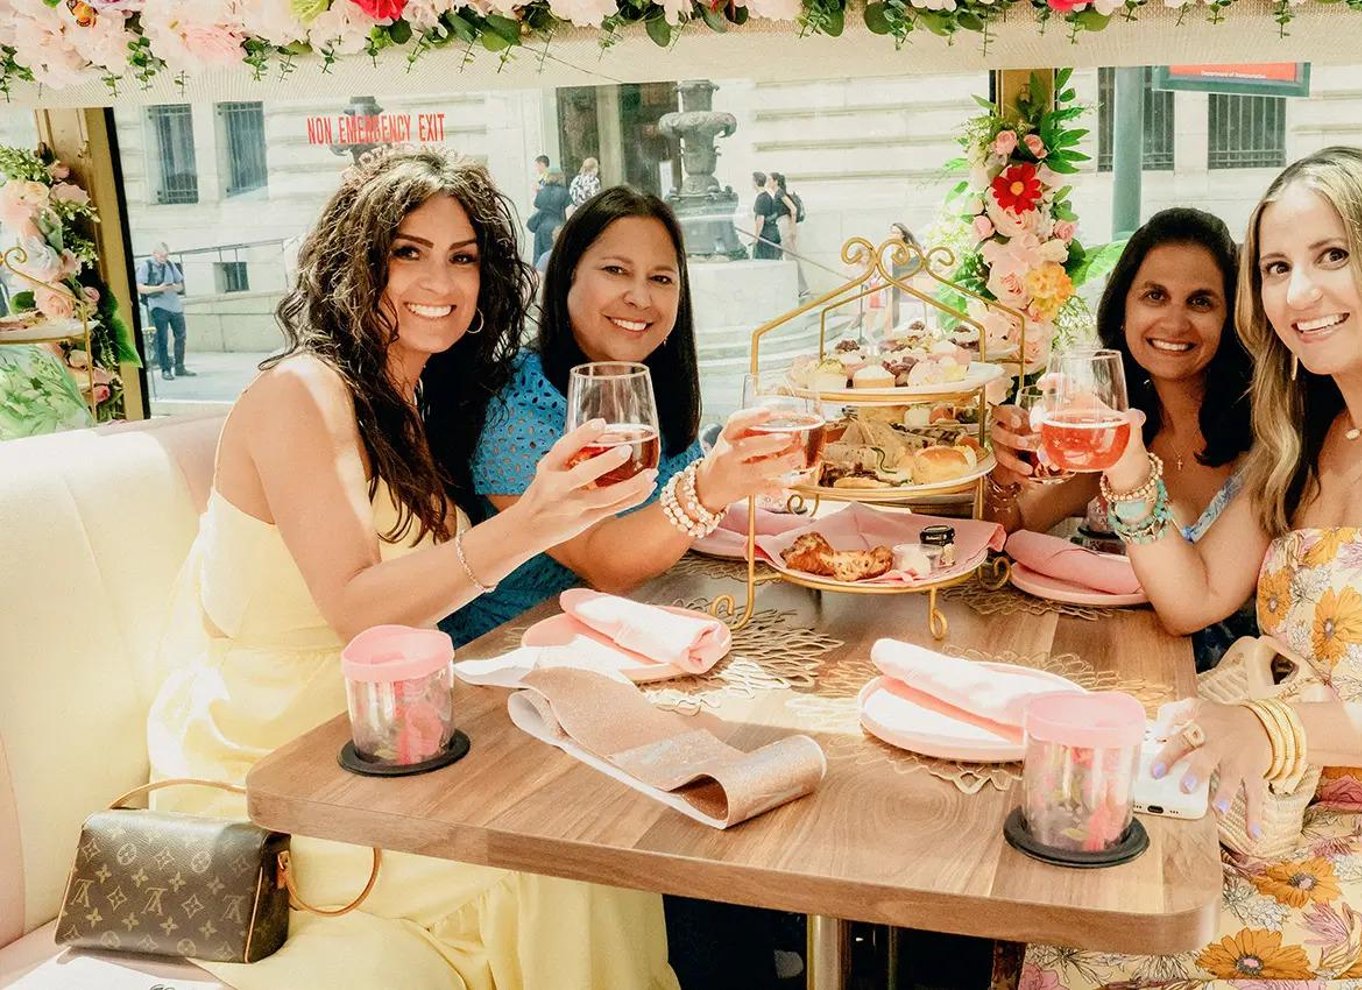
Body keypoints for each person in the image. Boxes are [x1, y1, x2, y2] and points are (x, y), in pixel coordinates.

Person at [145, 147, 678, 990]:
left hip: (399, 733)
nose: (441, 280)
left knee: (600, 818)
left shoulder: (410, 402)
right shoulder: (297, 395)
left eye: (462, 257)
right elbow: (358, 613)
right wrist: (532, 522)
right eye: (408, 252)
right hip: (275, 762)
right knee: (567, 861)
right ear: (354, 262)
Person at [447, 179, 808, 990]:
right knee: (717, 788)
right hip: (523, 685)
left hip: (629, 654)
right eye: (615, 270)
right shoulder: (519, 412)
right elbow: (608, 557)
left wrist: (727, 459)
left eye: (661, 277)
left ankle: (787, 941)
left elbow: (665, 526)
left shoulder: (647, 392)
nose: (640, 296)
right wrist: (710, 483)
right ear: (565, 279)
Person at [1022, 146, 1362, 990]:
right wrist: (1124, 460)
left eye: (1333, 255)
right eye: (1277, 267)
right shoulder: (1303, 436)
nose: (1300, 293)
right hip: (1264, 803)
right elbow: (1191, 599)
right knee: (1055, 858)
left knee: (1088, 935)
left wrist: (1271, 729)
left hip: (1332, 839)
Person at [987, 208, 1257, 670]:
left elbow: (1189, 612)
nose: (1174, 322)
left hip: (1218, 694)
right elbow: (1012, 523)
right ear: (1123, 308)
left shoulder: (1266, 444)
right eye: (1155, 295)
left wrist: (1129, 470)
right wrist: (1003, 474)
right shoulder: (1119, 426)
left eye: (1200, 301)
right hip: (1114, 665)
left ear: (1231, 317)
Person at [137, 241, 194, 381]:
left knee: (180, 336)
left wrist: (174, 287)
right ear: (154, 254)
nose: (164, 258)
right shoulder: (146, 266)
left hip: (174, 305)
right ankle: (165, 369)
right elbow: (140, 288)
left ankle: (180, 366)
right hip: (158, 306)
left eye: (166, 255)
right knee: (162, 338)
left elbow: (180, 285)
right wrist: (159, 288)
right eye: (161, 256)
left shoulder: (170, 265)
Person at [770, 172, 808, 296]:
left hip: (784, 224)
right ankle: (798, 287)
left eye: (770, 180)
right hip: (782, 223)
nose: (768, 182)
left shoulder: (780, 193)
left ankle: (802, 288)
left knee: (791, 257)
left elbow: (793, 209)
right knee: (788, 257)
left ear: (776, 181)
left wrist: (792, 228)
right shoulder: (777, 193)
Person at [528, 166, 571, 263]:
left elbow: (536, 211)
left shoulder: (541, 192)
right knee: (556, 257)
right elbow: (569, 213)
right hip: (558, 228)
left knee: (539, 258)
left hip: (541, 228)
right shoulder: (564, 193)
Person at [750, 171, 781, 260]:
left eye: (752, 181)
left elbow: (760, 219)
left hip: (765, 236)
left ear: (756, 182)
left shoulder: (761, 198)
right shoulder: (768, 196)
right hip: (773, 234)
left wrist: (756, 238)